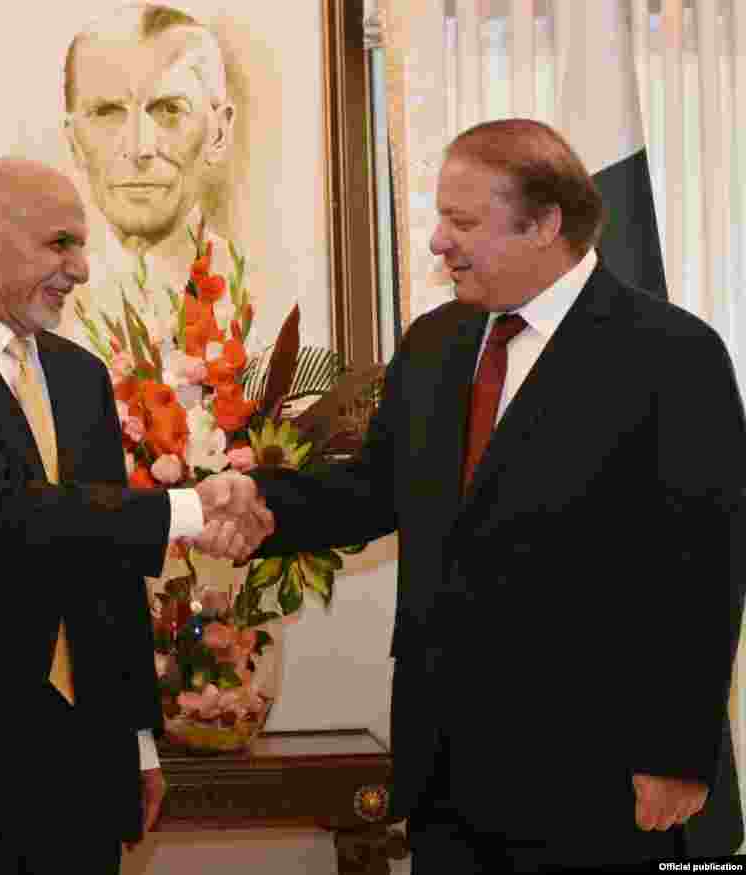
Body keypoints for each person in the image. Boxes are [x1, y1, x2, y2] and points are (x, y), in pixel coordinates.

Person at [251, 119, 746, 872]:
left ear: (545, 223)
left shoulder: (672, 355)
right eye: (439, 217)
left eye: (462, 221)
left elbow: (706, 568)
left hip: (602, 784)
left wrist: (676, 754)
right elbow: (372, 491)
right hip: (447, 775)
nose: (438, 242)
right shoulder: (434, 343)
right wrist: (236, 507)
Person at [0, 157, 272, 875]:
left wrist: (135, 740)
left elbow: (107, 569)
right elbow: (5, 512)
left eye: (80, 245)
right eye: (59, 243)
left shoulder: (78, 376)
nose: (80, 268)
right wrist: (192, 506)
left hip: (78, 762)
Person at [61, 2, 239, 354]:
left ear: (218, 133)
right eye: (107, 112)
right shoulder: (38, 313)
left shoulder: (264, 292)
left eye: (170, 110)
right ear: (74, 141)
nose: (139, 147)